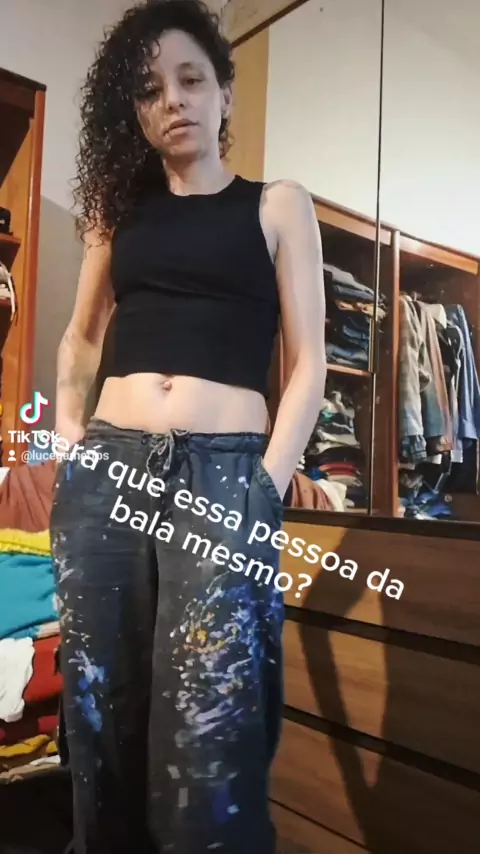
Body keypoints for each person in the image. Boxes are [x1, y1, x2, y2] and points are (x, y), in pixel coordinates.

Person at [50, 1, 326, 852]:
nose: (172, 100)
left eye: (191, 79)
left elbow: (309, 362)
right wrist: (70, 445)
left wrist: (264, 486)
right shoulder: (120, 210)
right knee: (100, 707)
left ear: (224, 91)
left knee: (211, 727)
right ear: (135, 112)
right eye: (149, 90)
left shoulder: (278, 205)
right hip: (108, 470)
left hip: (225, 478)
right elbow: (82, 337)